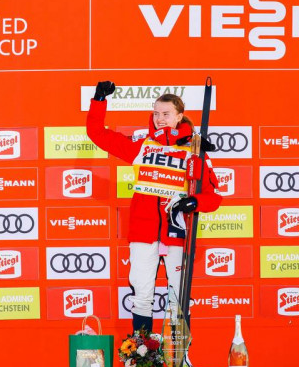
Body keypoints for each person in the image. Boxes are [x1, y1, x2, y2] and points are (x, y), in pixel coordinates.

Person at [87, 81, 222, 333]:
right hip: (143, 231)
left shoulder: (194, 150)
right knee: (142, 294)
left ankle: (179, 357)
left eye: (166, 114)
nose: (160, 119)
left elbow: (213, 196)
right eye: (156, 113)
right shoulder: (143, 145)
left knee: (178, 298)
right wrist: (98, 101)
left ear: (179, 116)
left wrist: (195, 202)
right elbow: (99, 135)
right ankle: (142, 355)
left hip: (178, 232)